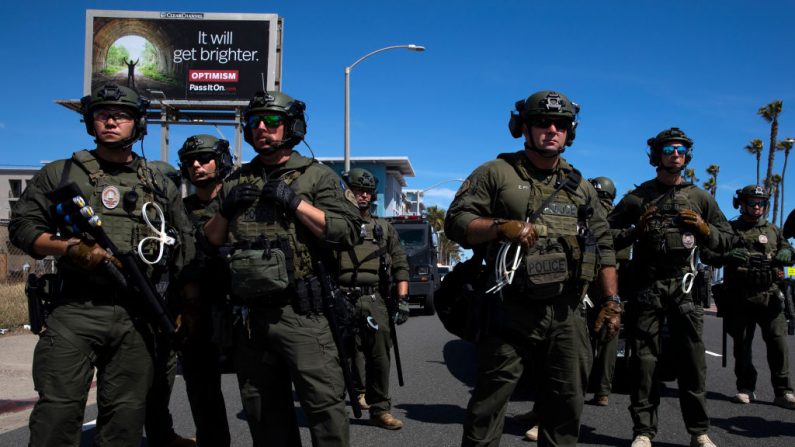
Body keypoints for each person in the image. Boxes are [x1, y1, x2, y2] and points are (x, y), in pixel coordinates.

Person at [9, 83, 194, 446]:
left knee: (125, 418)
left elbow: (185, 245)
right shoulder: (63, 173)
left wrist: (185, 306)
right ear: (90, 123)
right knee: (57, 415)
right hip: (76, 309)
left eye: (121, 115)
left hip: (137, 314)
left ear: (138, 125)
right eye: (102, 114)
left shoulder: (158, 181)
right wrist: (70, 248)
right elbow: (23, 228)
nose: (110, 121)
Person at [445, 90, 620, 446]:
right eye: (542, 122)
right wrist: (500, 227)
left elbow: (604, 247)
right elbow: (456, 221)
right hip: (510, 308)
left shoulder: (581, 187)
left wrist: (611, 301)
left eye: (561, 124)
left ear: (571, 132)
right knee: (488, 407)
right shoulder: (496, 173)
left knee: (566, 407)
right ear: (523, 127)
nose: (551, 130)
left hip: (567, 312)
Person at [202, 90, 362, 446]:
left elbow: (348, 231)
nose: (262, 128)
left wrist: (297, 204)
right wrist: (226, 209)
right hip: (250, 319)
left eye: (272, 121)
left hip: (302, 315)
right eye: (255, 121)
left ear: (291, 127)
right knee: (263, 414)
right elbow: (209, 241)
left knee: (325, 412)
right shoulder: (236, 181)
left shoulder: (316, 177)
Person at [608, 127, 733, 447]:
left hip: (685, 286)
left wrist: (705, 230)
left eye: (680, 149)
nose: (675, 154)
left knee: (692, 362)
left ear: (686, 156)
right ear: (657, 156)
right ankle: (643, 431)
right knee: (644, 364)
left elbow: (727, 241)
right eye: (668, 150)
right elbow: (607, 233)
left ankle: (699, 431)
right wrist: (637, 229)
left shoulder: (700, 197)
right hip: (648, 287)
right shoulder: (638, 197)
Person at [701, 185, 795, 409]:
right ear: (740, 204)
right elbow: (707, 254)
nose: (757, 207)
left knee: (778, 344)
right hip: (740, 298)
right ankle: (745, 388)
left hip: (770, 296)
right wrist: (727, 256)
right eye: (752, 202)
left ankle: (783, 391)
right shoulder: (729, 230)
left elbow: (789, 253)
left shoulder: (773, 230)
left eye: (761, 203)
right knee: (742, 346)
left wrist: (788, 254)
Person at [336, 168, 410, 430]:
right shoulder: (331, 225)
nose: (363, 195)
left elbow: (400, 263)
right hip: (339, 299)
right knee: (340, 356)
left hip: (374, 300)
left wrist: (401, 300)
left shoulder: (384, 228)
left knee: (379, 356)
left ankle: (380, 409)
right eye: (357, 190)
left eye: (367, 191)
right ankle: (338, 407)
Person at [176, 134, 236, 446]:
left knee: (261, 392)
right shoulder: (178, 210)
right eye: (190, 161)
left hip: (241, 308)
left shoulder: (239, 201)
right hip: (198, 311)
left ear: (220, 161)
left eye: (204, 158)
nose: (197, 166)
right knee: (201, 390)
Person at [143, 159, 197, 447]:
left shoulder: (173, 224)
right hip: (133, 317)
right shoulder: (139, 224)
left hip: (166, 316)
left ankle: (161, 435)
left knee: (162, 380)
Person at [586, 176, 629, 407]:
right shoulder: (619, 217)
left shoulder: (584, 210)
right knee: (609, 335)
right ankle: (602, 391)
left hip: (585, 282)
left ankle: (574, 386)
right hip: (611, 283)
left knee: (578, 335)